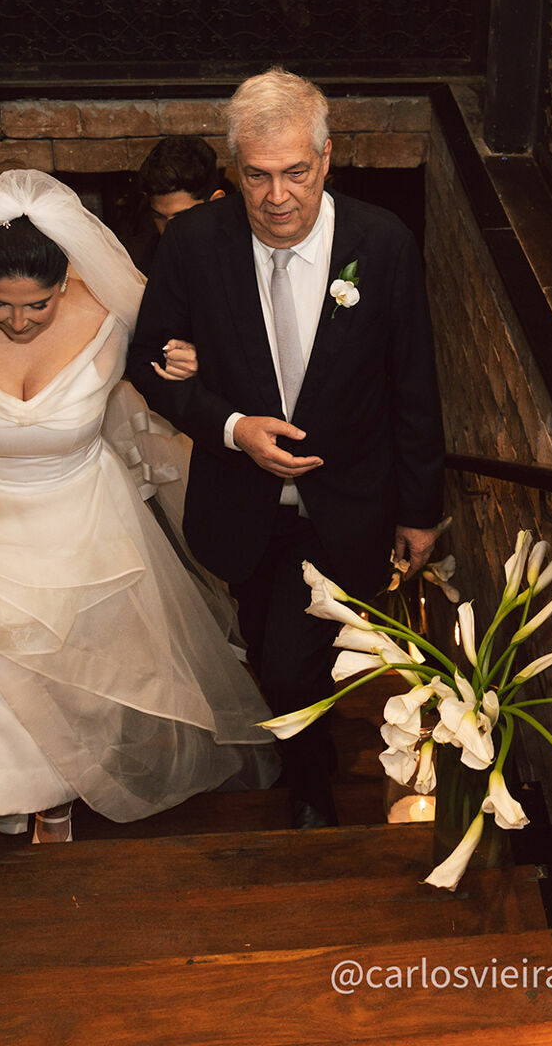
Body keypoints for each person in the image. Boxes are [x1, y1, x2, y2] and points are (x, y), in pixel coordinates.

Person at [0, 170, 279, 843]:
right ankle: (15, 793)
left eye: (36, 306)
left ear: (66, 279)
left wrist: (190, 362)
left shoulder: (111, 312)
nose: (17, 321)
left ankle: (64, 792)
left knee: (82, 668)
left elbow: (178, 365)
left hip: (84, 515)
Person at [130, 68, 446, 829]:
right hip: (242, 509)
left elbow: (415, 385)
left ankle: (309, 790)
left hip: (348, 507)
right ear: (234, 171)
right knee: (276, 657)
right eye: (258, 176)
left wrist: (422, 509)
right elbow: (148, 362)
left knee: (286, 662)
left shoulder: (385, 244)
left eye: (296, 173)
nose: (278, 197)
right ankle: (310, 756)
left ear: (328, 159)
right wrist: (235, 430)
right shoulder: (195, 245)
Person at [124, 136, 224, 273]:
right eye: (159, 217)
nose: (168, 232)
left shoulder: (248, 256)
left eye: (183, 217)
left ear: (216, 202)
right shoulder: (136, 261)